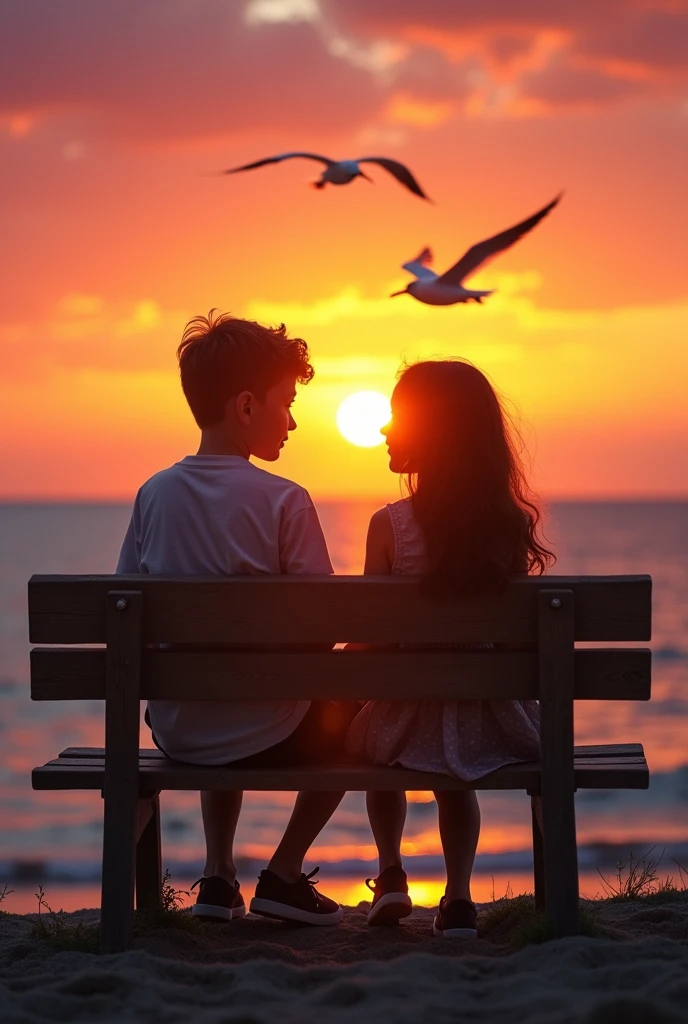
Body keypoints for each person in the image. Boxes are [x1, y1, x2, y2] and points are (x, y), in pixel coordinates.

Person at [117, 310, 355, 927]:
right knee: (361, 717)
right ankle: (282, 871)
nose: (295, 419)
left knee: (218, 691)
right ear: (246, 407)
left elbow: (126, 607)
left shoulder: (153, 494)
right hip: (269, 731)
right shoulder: (285, 500)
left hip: (180, 730)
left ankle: (218, 877)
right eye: (287, 403)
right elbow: (321, 627)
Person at [347, 359, 554, 938]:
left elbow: (372, 640)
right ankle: (459, 897)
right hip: (491, 721)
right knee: (453, 768)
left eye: (395, 418)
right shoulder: (504, 528)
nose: (385, 429)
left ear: (429, 434)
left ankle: (390, 872)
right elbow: (516, 645)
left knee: (377, 745)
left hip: (405, 718)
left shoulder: (388, 527)